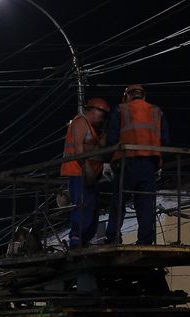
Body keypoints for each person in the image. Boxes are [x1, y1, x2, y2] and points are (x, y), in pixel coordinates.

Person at [104, 84, 169, 246]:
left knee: (119, 202)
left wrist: (107, 161)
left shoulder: (121, 109)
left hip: (126, 161)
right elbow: (165, 140)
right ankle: (145, 240)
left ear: (127, 96)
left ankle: (113, 238)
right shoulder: (157, 111)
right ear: (143, 96)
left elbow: (111, 138)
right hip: (149, 163)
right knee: (145, 204)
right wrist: (159, 163)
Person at [60, 97, 110, 248]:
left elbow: (97, 148)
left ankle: (84, 239)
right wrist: (87, 169)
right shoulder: (80, 122)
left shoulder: (91, 129)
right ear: (94, 110)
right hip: (79, 172)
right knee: (83, 205)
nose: (102, 119)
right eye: (102, 115)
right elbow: (78, 149)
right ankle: (76, 239)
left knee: (91, 207)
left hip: (90, 175)